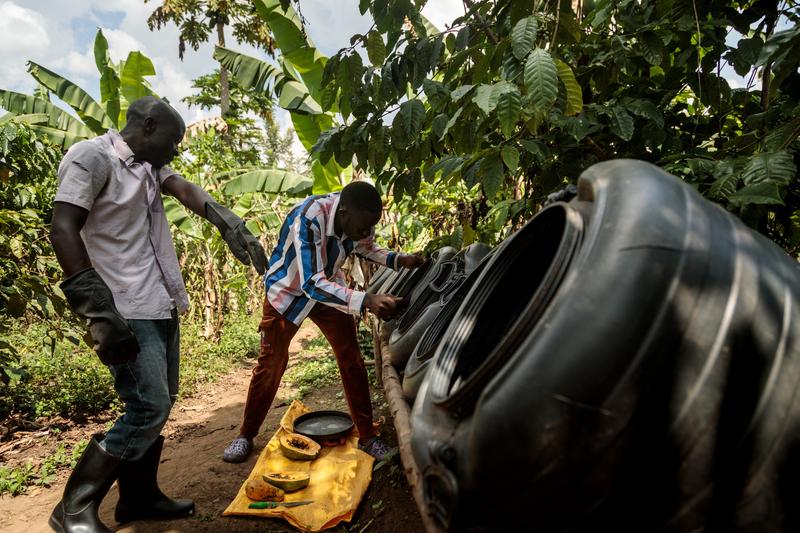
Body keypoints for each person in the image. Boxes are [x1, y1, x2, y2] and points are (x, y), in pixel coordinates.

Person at [48, 96, 267, 533]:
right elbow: (62, 228)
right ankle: (72, 508)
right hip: (122, 307)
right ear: (148, 126)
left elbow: (184, 189)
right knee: (148, 406)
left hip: (159, 302)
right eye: (173, 139)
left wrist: (227, 221)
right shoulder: (92, 157)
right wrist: (97, 311)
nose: (176, 149)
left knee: (161, 402)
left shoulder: (150, 165)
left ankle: (138, 497)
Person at [222, 181, 424, 463]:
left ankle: (367, 436)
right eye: (363, 227)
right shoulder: (309, 218)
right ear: (344, 215)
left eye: (371, 227)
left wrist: (399, 260)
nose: (367, 232)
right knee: (271, 365)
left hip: (329, 291)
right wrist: (366, 299)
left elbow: (366, 247)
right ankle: (245, 434)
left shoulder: (357, 218)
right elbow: (310, 283)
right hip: (288, 293)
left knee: (351, 359)